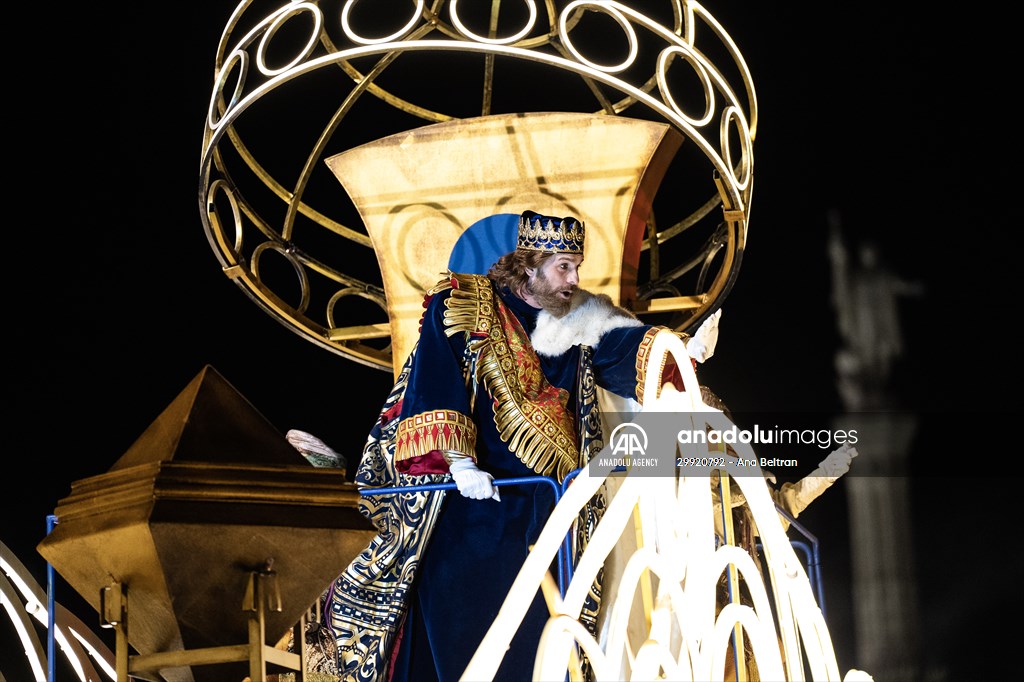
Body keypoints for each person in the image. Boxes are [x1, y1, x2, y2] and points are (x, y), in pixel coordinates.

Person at [324, 209, 722, 682]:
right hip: (475, 510)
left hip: (550, 512)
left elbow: (631, 353)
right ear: (529, 265)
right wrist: (459, 464)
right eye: (563, 267)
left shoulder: (582, 319)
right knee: (472, 644)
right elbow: (435, 379)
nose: (574, 279)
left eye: (577, 266)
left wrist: (686, 353)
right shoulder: (467, 302)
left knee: (546, 647)